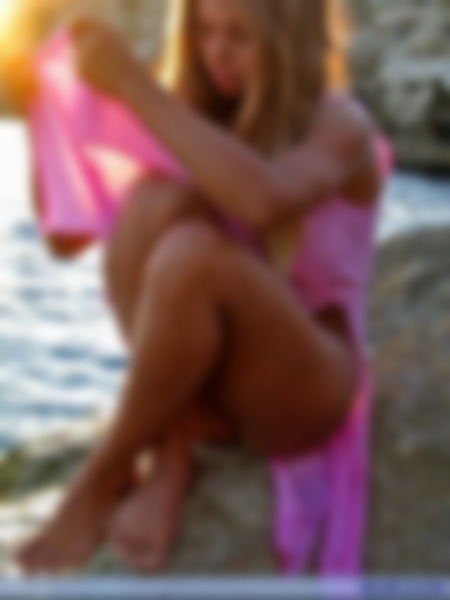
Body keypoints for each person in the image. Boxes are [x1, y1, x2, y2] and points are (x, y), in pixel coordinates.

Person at [13, 0, 386, 575]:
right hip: (222, 387)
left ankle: (102, 473)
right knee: (155, 202)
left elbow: (263, 200)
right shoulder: (198, 115)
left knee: (194, 255)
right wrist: (41, 105)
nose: (218, 51)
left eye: (239, 36)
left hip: (307, 387)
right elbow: (65, 241)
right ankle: (171, 456)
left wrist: (134, 87)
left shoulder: (339, 125)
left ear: (289, 40)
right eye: (206, 31)